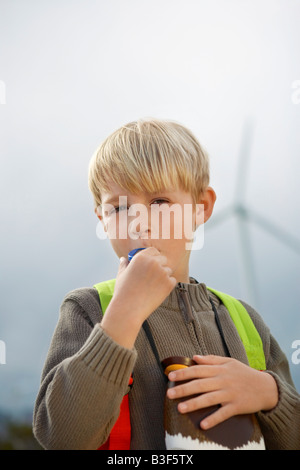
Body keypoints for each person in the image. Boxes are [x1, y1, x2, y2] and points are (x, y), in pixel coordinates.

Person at [33, 118, 300, 450]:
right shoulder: (88, 309)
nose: (139, 223)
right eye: (119, 207)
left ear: (201, 207)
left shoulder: (246, 320)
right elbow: (61, 438)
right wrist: (123, 316)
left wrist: (269, 393)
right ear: (101, 218)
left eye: (159, 202)